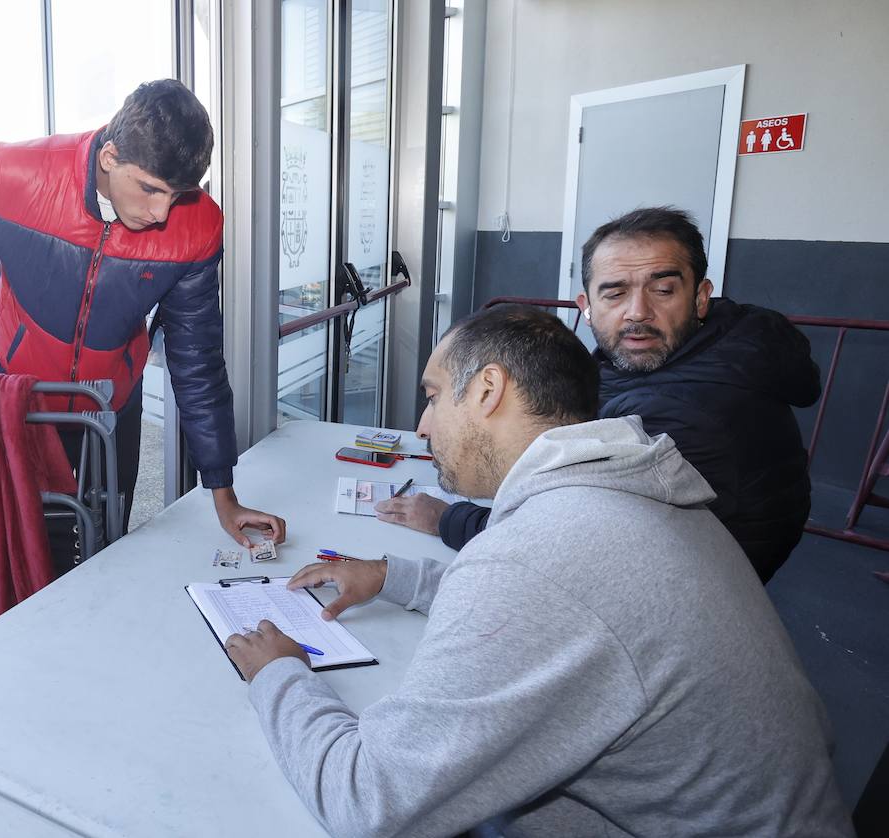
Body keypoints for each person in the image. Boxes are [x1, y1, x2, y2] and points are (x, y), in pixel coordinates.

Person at [225, 305, 852, 836]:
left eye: (435, 396)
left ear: (489, 391)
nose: (420, 427)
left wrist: (280, 675)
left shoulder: (540, 558)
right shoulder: (621, 490)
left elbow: (370, 801)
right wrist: (395, 577)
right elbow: (575, 601)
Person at [0, 79, 285, 564]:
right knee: (36, 547)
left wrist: (223, 494)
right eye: (149, 189)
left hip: (114, 401)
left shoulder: (198, 224)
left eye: (176, 194)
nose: (162, 212)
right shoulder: (10, 173)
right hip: (23, 397)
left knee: (108, 546)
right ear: (109, 156)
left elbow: (197, 360)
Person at [379, 207, 819, 583]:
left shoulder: (684, 419)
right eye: (615, 293)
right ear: (585, 306)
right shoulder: (699, 352)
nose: (638, 312)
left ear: (701, 298)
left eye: (663, 289)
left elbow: (571, 549)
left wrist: (445, 519)